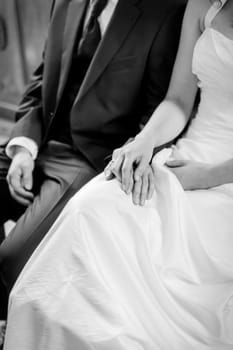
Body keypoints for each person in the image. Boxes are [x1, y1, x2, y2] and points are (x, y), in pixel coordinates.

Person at [4, 0, 233, 348]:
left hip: (220, 177)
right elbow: (177, 101)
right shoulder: (203, 5)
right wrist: (144, 142)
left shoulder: (164, 11)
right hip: (183, 153)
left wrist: (209, 176)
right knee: (90, 209)